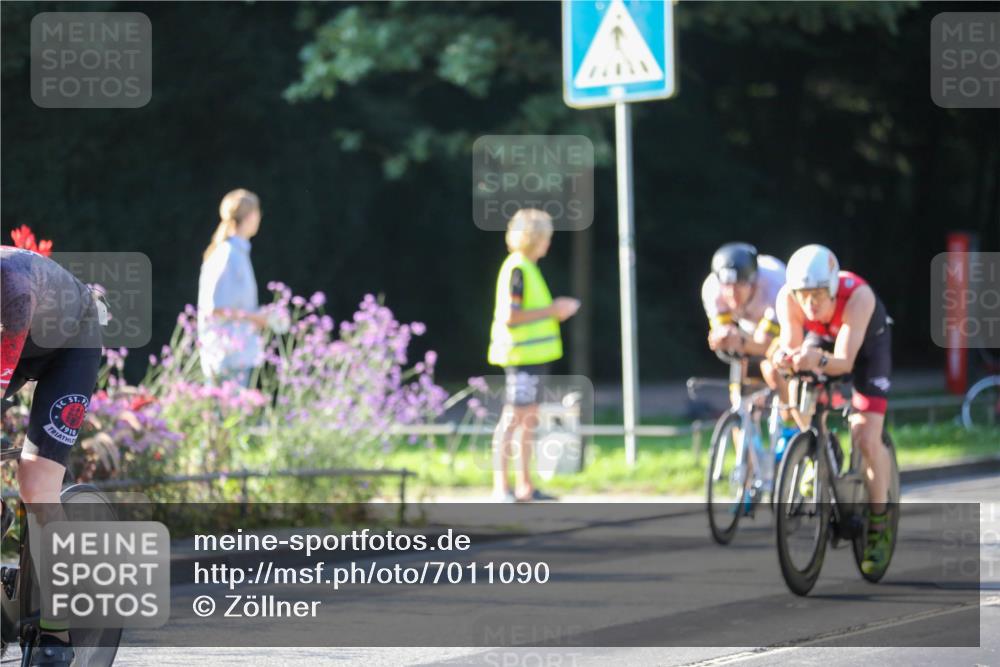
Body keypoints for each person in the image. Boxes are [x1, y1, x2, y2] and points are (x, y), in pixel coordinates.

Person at [1, 245, 105, 666]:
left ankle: (56, 631)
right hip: (18, 341)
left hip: (70, 345)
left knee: (36, 485)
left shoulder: (11, 286)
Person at [772, 244, 893, 575]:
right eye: (804, 295)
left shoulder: (858, 297)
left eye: (818, 295)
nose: (810, 303)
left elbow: (844, 362)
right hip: (823, 340)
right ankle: (821, 450)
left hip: (864, 349)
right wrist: (786, 358)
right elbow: (791, 344)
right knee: (798, 390)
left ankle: (879, 523)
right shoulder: (787, 298)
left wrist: (817, 360)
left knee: (865, 437)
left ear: (833, 289)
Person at [487, 209, 579, 503]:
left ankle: (525, 486)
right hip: (521, 358)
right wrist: (554, 310)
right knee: (513, 418)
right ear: (534, 238)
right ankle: (501, 487)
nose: (548, 242)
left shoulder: (527, 268)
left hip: (533, 358)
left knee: (527, 420)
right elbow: (511, 316)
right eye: (545, 237)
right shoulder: (518, 269)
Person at [702, 243, 797, 445]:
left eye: (739, 286)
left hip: (786, 325)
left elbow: (766, 344)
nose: (732, 294)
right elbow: (725, 333)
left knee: (773, 370)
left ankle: (792, 427)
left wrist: (740, 341)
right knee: (739, 399)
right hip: (748, 329)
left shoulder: (775, 285)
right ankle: (748, 458)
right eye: (727, 287)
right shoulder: (712, 289)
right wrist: (722, 337)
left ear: (753, 283)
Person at [198, 189, 269, 387]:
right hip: (226, 359)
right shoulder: (228, 255)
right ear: (252, 216)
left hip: (236, 357)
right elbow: (216, 308)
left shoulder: (236, 252)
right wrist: (256, 318)